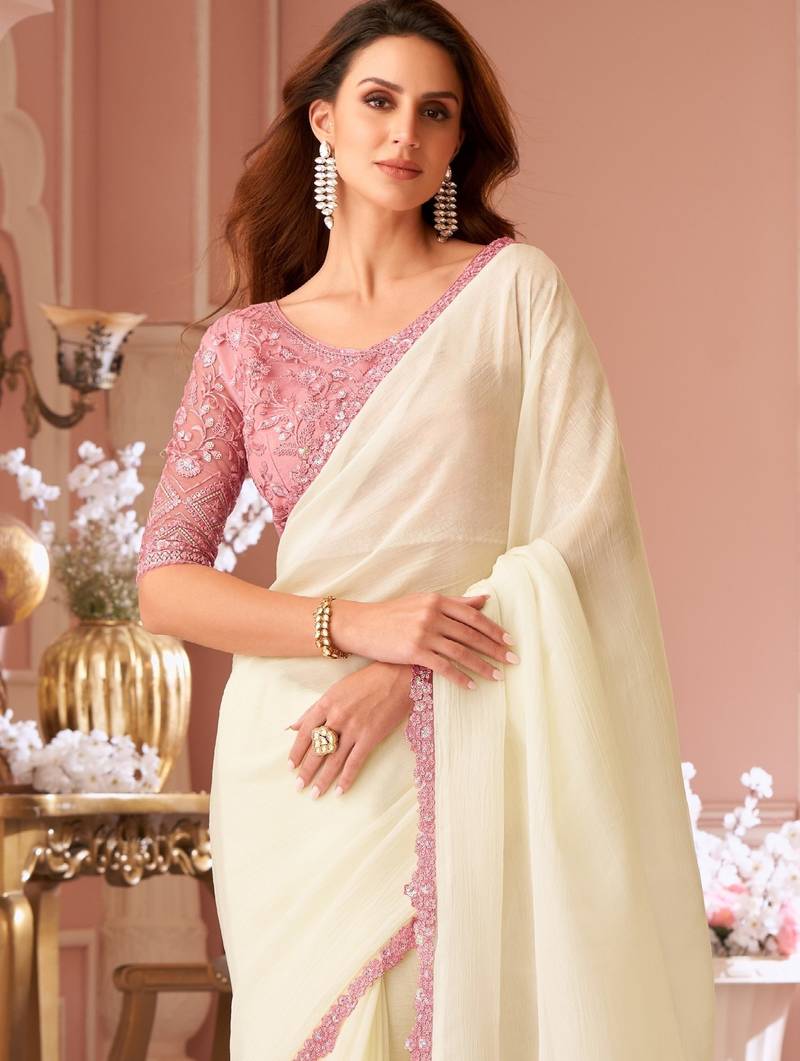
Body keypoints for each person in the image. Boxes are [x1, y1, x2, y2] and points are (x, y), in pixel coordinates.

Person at [136, 2, 716, 1058]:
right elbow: (165, 583)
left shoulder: (513, 291)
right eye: (378, 101)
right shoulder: (244, 346)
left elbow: (583, 528)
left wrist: (406, 673)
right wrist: (356, 627)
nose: (405, 131)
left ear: (456, 142)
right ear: (323, 121)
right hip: (301, 764)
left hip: (471, 717)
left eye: (435, 112)